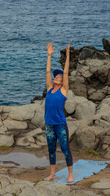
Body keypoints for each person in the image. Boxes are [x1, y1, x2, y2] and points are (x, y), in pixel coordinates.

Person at [45, 42, 74, 183]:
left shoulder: (64, 90)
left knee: (65, 149)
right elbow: (47, 71)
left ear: (62, 82)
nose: (57, 77)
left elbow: (66, 72)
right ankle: (52, 174)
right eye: (56, 76)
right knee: (51, 150)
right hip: (49, 124)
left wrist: (68, 55)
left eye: (59, 77)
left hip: (60, 124)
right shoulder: (50, 88)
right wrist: (49, 55)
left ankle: (70, 174)